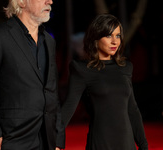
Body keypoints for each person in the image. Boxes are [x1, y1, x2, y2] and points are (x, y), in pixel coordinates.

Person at [0, 0, 65, 150]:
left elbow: (51, 92)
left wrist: (58, 137)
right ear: (22, 2)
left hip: (47, 139)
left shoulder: (48, 41)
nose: (50, 1)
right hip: (12, 139)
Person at [61, 14, 148, 150]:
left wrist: (143, 145)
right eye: (108, 36)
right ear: (96, 38)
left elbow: (132, 109)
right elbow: (69, 107)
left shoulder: (125, 68)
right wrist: (56, 141)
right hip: (100, 142)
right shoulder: (82, 69)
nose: (115, 41)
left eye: (118, 36)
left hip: (126, 143)